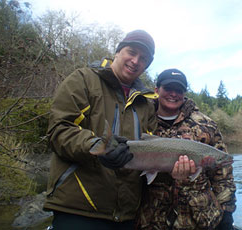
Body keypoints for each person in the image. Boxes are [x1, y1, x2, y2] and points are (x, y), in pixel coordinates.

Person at [44, 30, 160, 230]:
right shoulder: (83, 80)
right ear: (117, 52)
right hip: (78, 209)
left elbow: (151, 153)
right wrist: (98, 148)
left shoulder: (148, 104)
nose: (135, 61)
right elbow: (59, 130)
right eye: (131, 52)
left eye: (143, 59)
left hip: (126, 215)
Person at [136, 69, 236, 230]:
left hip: (199, 218)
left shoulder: (206, 124)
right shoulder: (140, 119)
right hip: (151, 218)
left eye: (179, 90)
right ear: (157, 91)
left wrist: (226, 212)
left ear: (184, 93)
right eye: (168, 88)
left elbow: (223, 176)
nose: (173, 94)